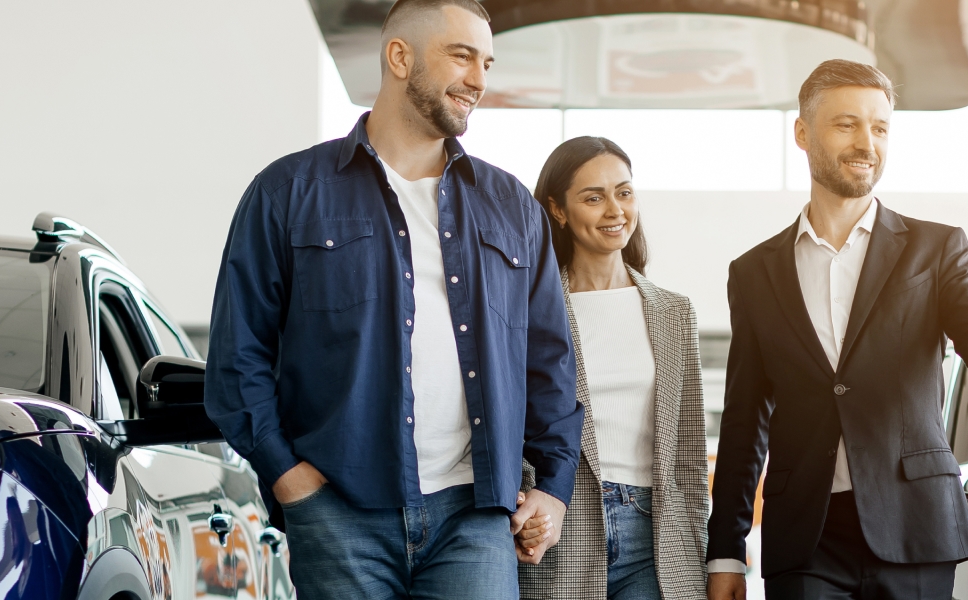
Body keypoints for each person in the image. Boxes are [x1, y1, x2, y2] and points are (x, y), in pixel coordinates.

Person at [202, 0, 584, 597]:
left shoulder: (513, 208)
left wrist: (554, 486)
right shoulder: (287, 193)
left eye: (487, 62)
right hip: (339, 511)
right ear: (399, 57)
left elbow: (550, 361)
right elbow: (237, 356)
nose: (480, 80)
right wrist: (287, 476)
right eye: (462, 57)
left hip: (476, 515)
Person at [705, 59, 968, 600]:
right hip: (805, 538)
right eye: (847, 124)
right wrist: (725, 550)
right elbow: (746, 420)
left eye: (880, 127)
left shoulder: (935, 249)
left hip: (914, 527)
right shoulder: (754, 273)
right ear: (802, 132)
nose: (868, 142)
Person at [512, 136, 710, 599]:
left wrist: (700, 546)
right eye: (593, 197)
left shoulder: (673, 311)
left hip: (655, 535)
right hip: (560, 525)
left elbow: (688, 452)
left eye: (624, 192)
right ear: (557, 210)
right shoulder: (530, 311)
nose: (614, 210)